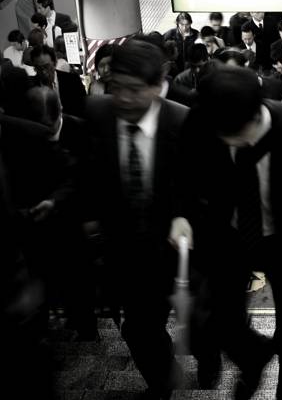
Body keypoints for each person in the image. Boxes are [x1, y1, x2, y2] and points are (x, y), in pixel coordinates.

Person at [176, 65, 282, 400]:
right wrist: (181, 213)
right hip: (229, 233)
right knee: (221, 318)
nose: (235, 142)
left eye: (239, 133)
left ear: (256, 111)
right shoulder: (203, 120)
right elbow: (182, 170)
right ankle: (254, 355)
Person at [83, 40, 189, 400]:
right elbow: (86, 173)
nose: (124, 99)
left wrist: (182, 216)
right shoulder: (97, 114)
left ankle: (165, 383)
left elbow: (201, 187)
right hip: (123, 247)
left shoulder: (182, 122)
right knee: (139, 328)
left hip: (170, 249)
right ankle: (164, 378)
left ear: (156, 87)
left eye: (134, 90)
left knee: (145, 326)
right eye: (117, 88)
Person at [28, 45, 86, 118]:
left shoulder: (72, 81)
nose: (43, 71)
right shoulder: (30, 86)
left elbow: (82, 110)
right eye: (39, 68)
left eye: (46, 66)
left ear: (55, 63)